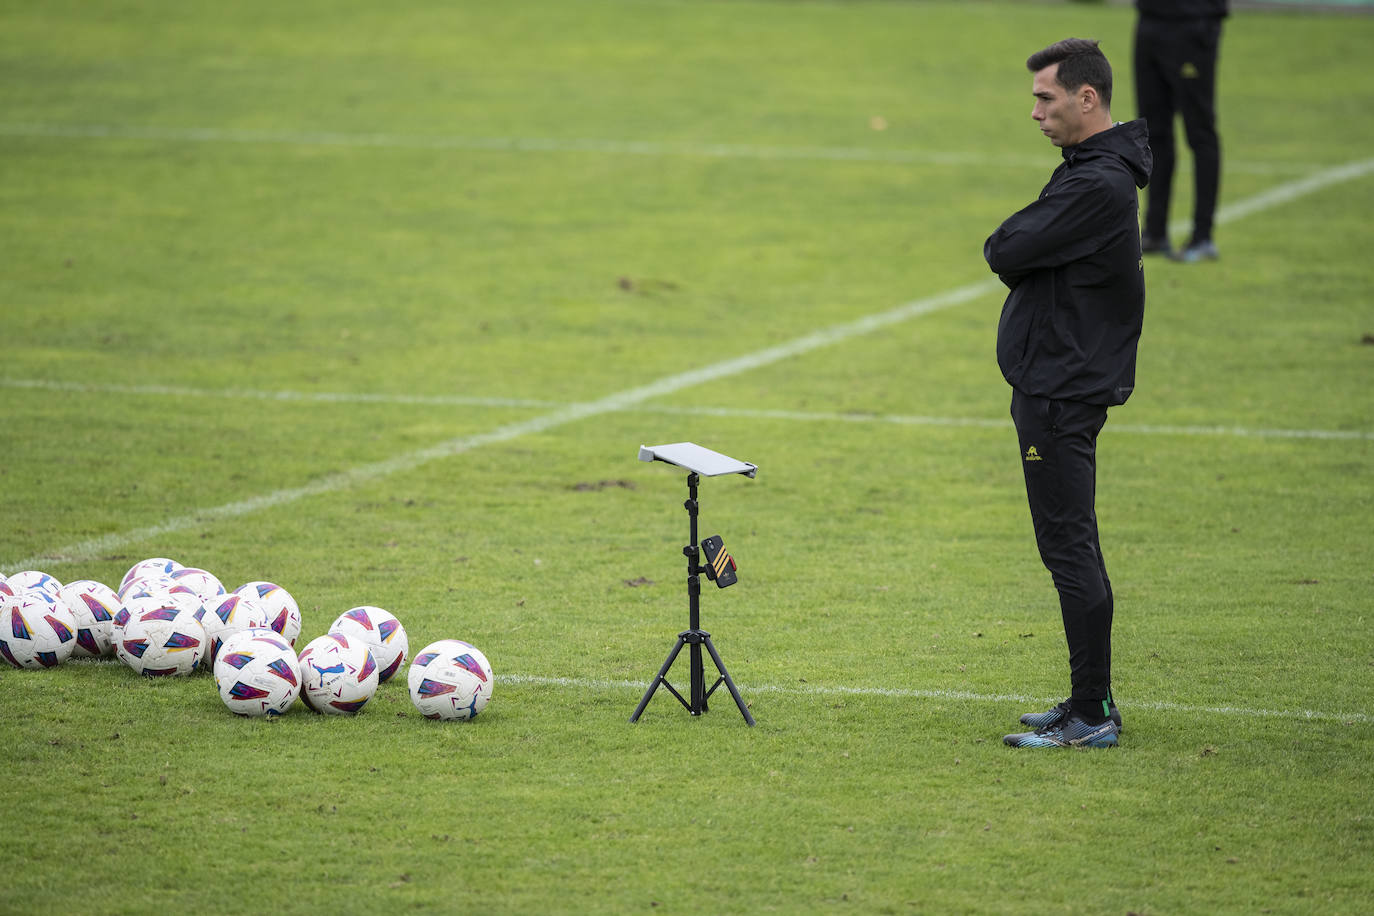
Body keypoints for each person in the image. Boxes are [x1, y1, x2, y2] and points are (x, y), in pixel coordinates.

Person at [983, 38, 1151, 749]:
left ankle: (1092, 714)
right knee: (1071, 545)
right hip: (1061, 380)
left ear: (1088, 98)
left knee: (1069, 548)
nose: (1034, 112)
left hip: (1060, 389)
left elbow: (1004, 248)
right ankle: (1087, 700)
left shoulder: (1095, 184)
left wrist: (1020, 248)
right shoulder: (1091, 170)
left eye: (1045, 98)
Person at [1134, 0, 1229, 262]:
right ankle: (1155, 232)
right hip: (1150, 18)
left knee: (1199, 131)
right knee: (1153, 130)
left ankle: (1203, 237)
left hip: (1193, 22)